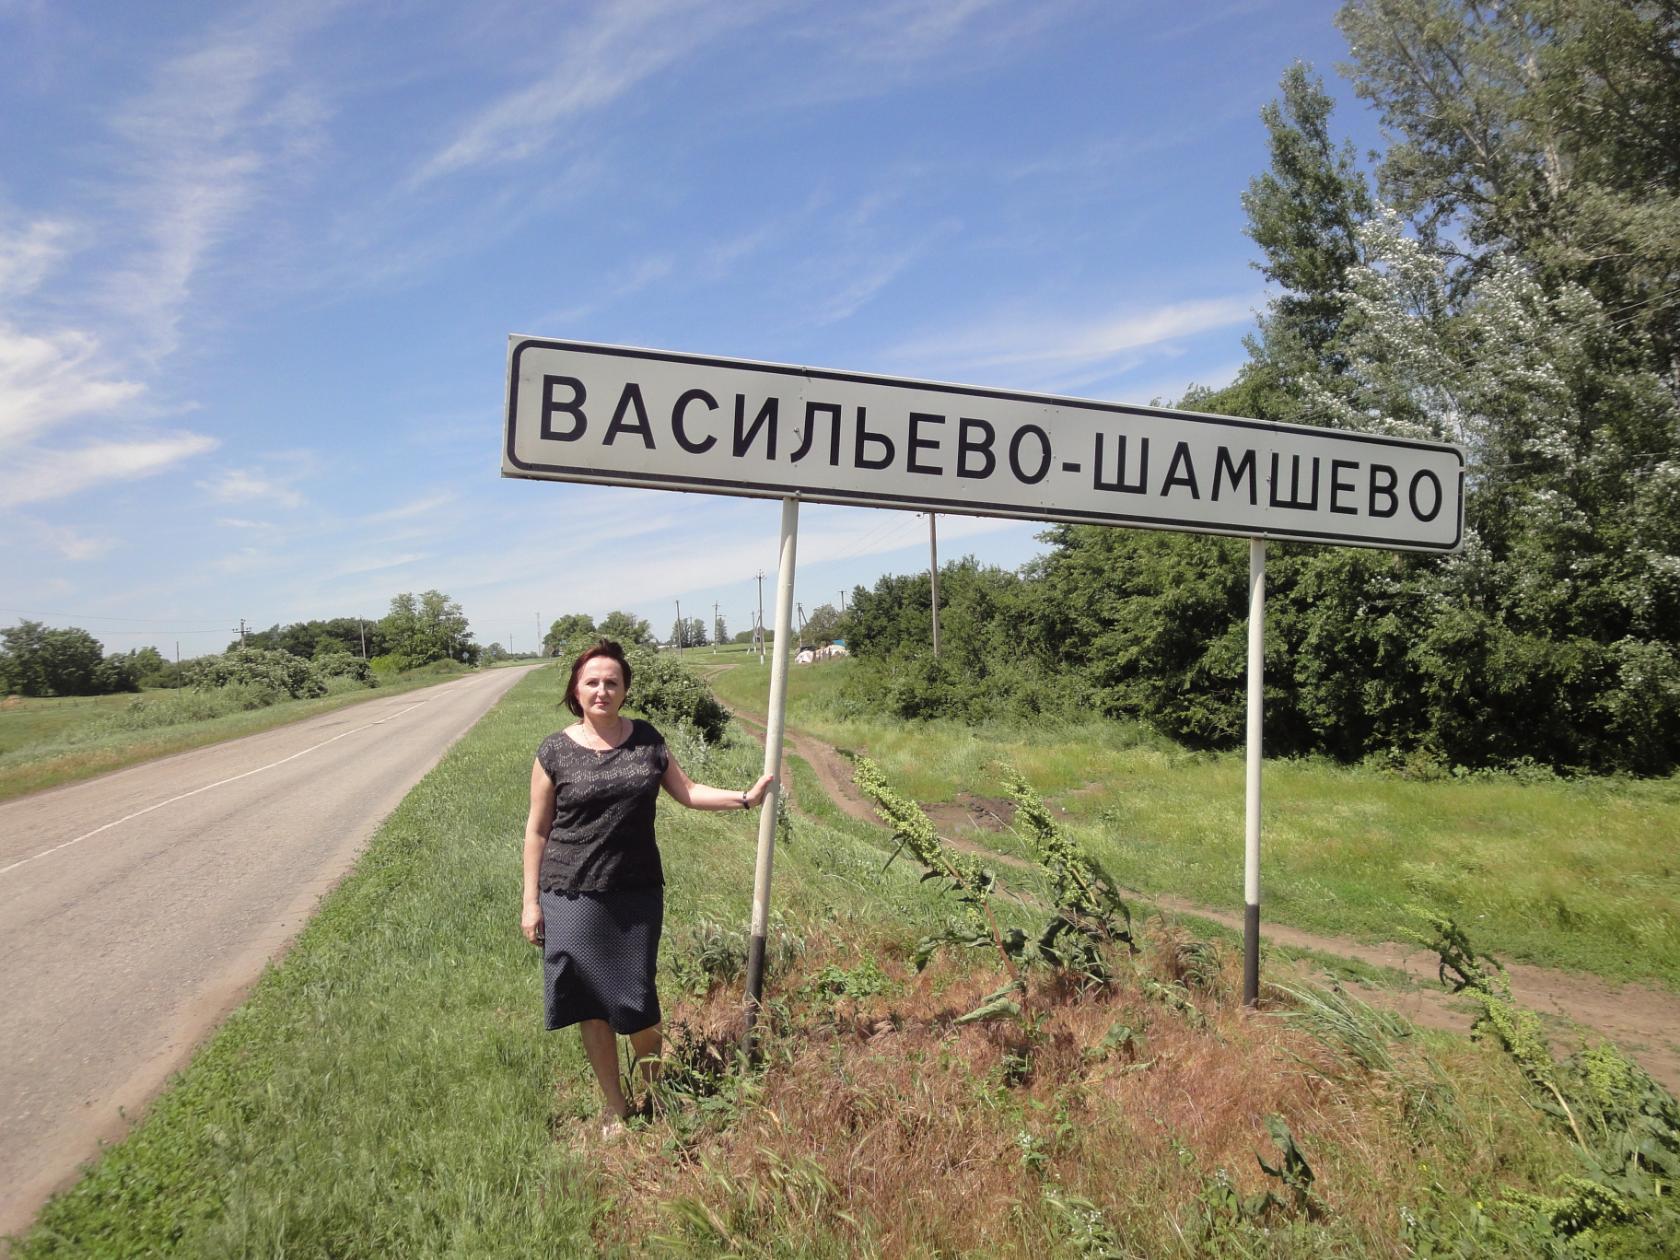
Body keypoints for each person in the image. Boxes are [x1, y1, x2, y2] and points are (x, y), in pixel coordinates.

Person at [521, 638, 773, 1138]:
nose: (602, 690)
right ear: (576, 689)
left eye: (611, 681)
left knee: (636, 999)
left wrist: (745, 797)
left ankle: (658, 1097)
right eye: (592, 681)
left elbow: (688, 791)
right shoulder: (554, 749)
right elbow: (538, 829)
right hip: (570, 892)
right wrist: (530, 902)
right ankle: (616, 1107)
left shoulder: (647, 740)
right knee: (588, 1002)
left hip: (635, 891)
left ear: (624, 688)